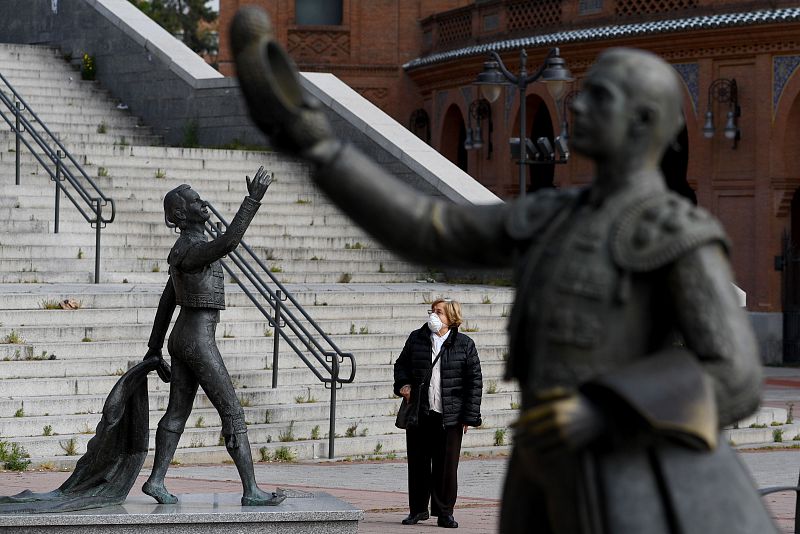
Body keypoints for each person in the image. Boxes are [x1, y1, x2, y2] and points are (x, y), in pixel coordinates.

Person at [231, 7, 776, 532]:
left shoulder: (676, 236)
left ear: (645, 122)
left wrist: (608, 413)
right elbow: (428, 229)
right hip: (542, 468)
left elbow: (737, 377)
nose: (578, 107)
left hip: (628, 474)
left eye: (599, 98)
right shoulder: (553, 215)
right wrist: (319, 147)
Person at [141, 167, 285, 507]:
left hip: (185, 336)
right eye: (193, 201)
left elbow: (167, 299)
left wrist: (154, 347)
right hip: (196, 338)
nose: (202, 203)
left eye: (199, 197)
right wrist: (252, 200)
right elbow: (230, 242)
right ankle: (251, 490)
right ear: (179, 214)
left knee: (177, 413)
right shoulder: (190, 249)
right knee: (232, 412)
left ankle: (156, 480)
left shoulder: (187, 249)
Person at [393, 298, 482, 528]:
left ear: (451, 318)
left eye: (439, 312)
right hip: (420, 413)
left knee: (446, 467)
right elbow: (401, 365)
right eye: (432, 311)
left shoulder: (465, 344)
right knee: (418, 463)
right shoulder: (417, 338)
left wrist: (468, 417)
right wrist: (403, 385)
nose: (434, 315)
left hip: (450, 416)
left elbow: (474, 383)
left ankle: (445, 513)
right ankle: (418, 510)